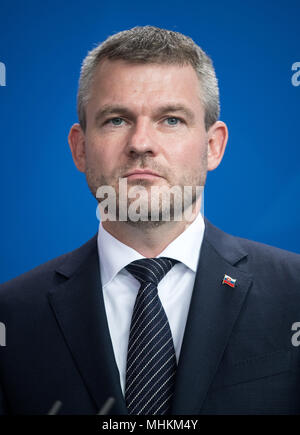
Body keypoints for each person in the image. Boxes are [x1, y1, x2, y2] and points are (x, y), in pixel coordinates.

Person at [0, 26, 300, 416]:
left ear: (213, 146)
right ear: (80, 148)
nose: (141, 143)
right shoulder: (11, 315)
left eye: (171, 119)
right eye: (116, 120)